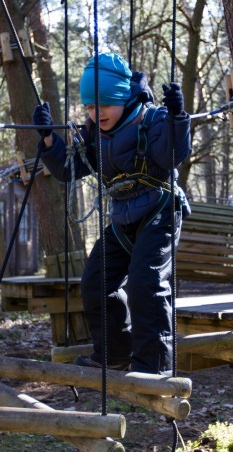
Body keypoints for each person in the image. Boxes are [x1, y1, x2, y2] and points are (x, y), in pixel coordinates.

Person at [33, 52, 192, 374]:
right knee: (95, 281)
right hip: (122, 217)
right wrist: (50, 139)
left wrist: (178, 118)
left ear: (121, 97)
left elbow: (172, 156)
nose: (96, 112)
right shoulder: (95, 131)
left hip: (159, 209)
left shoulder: (154, 118)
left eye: (103, 105)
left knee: (146, 284)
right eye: (90, 106)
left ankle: (154, 365)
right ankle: (114, 353)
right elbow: (71, 170)